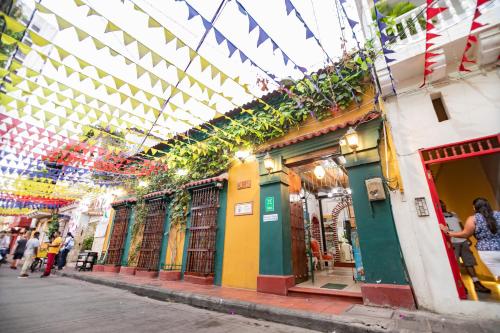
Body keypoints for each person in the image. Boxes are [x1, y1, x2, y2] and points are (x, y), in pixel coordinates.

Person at [440, 197, 500, 281]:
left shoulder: (473, 219)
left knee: (498, 274)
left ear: (474, 207)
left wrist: (448, 233)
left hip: (488, 251)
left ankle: (475, 282)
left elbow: (465, 234)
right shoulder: (498, 214)